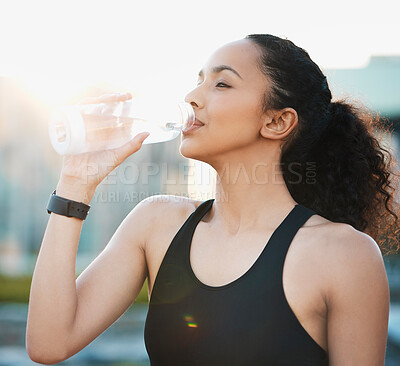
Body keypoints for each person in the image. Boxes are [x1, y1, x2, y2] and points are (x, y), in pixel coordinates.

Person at [26, 34, 398, 365]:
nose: (192, 97)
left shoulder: (344, 255)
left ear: (276, 122)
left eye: (221, 83)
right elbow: (49, 343)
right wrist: (75, 183)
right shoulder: (157, 224)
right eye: (198, 81)